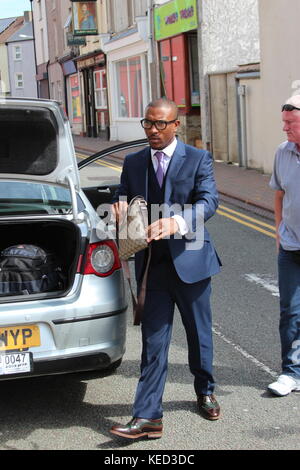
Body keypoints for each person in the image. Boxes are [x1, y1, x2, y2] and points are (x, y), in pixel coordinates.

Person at [110, 98, 221, 440]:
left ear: (176, 125)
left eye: (160, 124)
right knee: (153, 344)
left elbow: (208, 202)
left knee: (198, 335)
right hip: (152, 268)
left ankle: (204, 389)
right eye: (148, 124)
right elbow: (124, 192)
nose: (153, 131)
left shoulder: (198, 158)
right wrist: (119, 204)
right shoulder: (133, 162)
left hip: (191, 264)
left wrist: (175, 221)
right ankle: (147, 417)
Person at [268, 95, 300, 396]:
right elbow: (278, 193)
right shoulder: (283, 152)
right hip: (291, 247)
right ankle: (291, 373)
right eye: (284, 122)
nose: (284, 128)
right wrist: (279, 231)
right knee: (290, 311)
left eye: (290, 123)